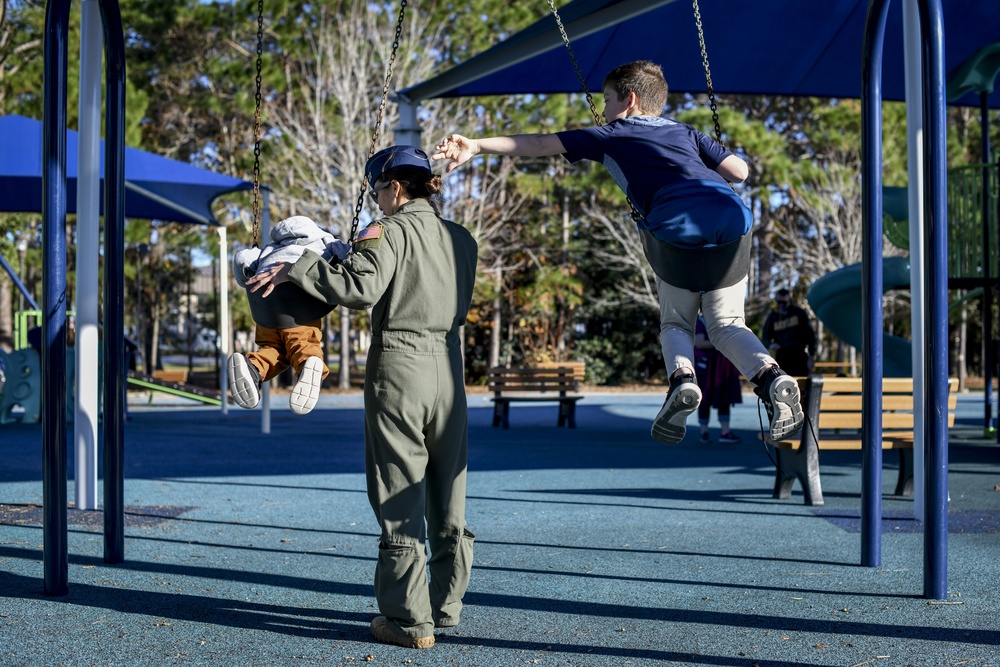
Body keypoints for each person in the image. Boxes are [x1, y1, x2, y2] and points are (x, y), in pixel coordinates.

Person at [433, 59, 803, 444]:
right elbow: (739, 172)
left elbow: (540, 143)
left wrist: (475, 145)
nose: (604, 108)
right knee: (727, 324)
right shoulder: (687, 132)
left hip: (676, 224)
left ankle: (683, 381)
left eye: (606, 99)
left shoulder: (611, 134)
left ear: (628, 100)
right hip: (731, 218)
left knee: (677, 323)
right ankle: (771, 377)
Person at [246, 145, 479, 650]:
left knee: (398, 491)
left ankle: (407, 620)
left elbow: (363, 288)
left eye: (377, 190)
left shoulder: (387, 230)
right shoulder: (463, 238)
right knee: (448, 492)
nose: (376, 199)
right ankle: (445, 605)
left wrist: (299, 266)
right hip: (450, 366)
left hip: (401, 363)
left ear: (395, 187)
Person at [228, 215, 349, 415]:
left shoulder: (270, 247)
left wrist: (246, 281)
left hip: (264, 304)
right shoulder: (326, 240)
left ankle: (252, 368)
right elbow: (347, 254)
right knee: (302, 343)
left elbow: (242, 258)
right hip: (298, 302)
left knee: (275, 348)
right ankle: (309, 364)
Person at [693, 315, 743, 444]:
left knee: (724, 398)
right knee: (704, 399)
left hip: (722, 365)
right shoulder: (700, 322)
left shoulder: (725, 321)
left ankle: (725, 432)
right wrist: (720, 342)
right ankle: (704, 432)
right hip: (705, 366)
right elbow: (700, 343)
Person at [761, 288, 817, 377]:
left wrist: (812, 356)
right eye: (779, 302)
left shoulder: (799, 313)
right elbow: (765, 338)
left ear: (790, 301)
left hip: (799, 356)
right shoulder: (773, 317)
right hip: (782, 357)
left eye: (784, 303)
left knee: (802, 386)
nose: (781, 305)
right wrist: (771, 345)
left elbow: (810, 336)